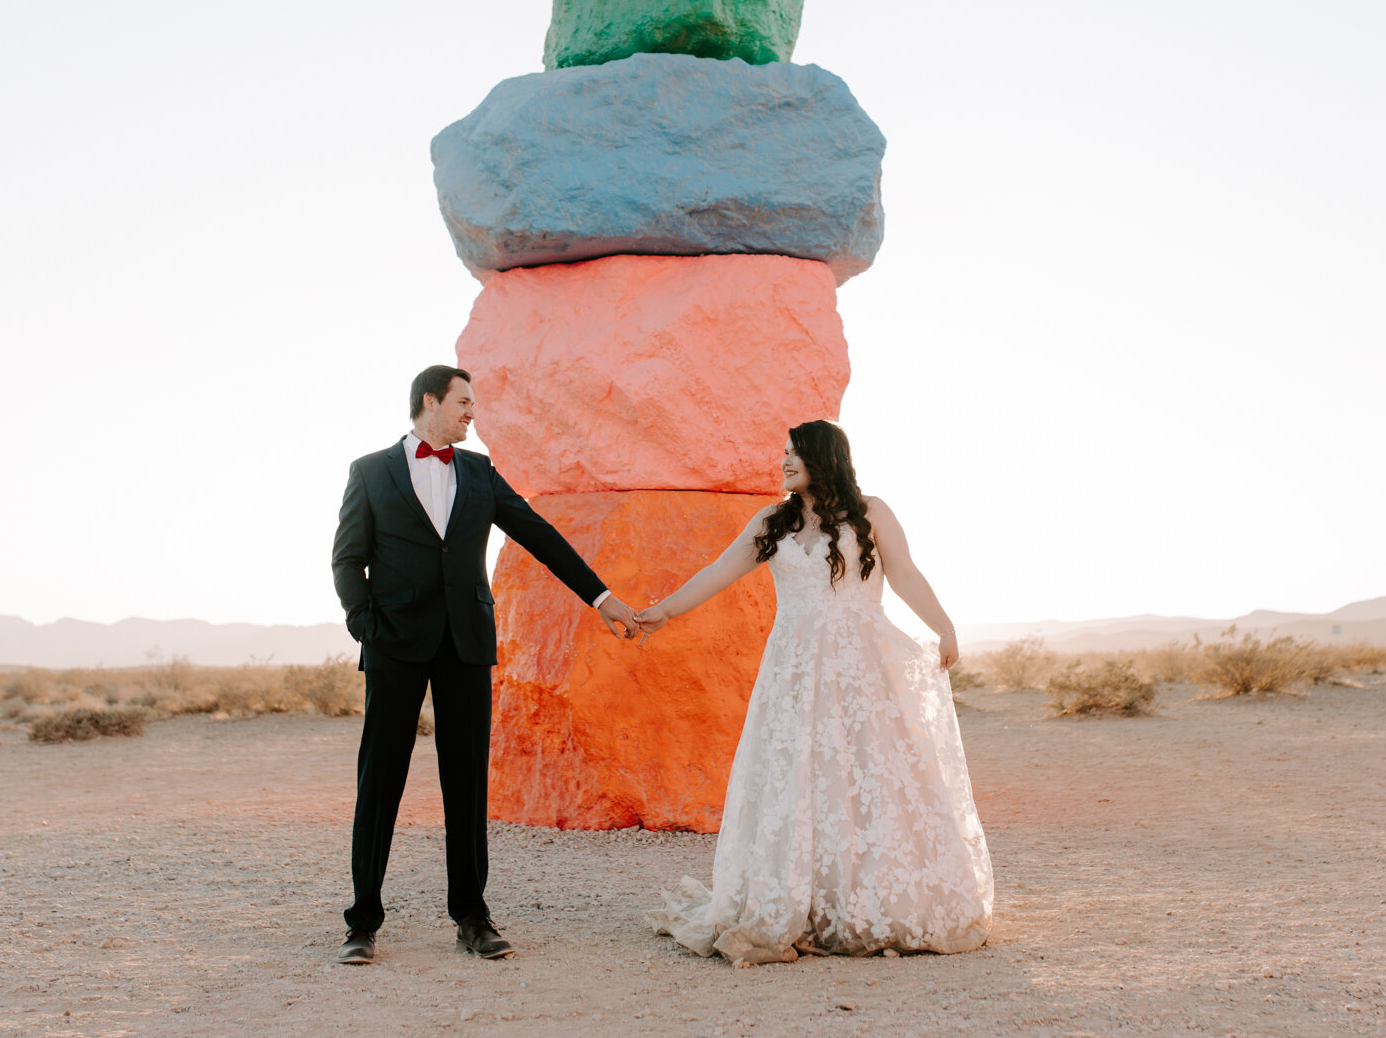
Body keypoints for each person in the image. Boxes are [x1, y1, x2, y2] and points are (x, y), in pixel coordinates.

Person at [636, 419, 995, 964]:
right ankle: (800, 894)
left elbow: (904, 573)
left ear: (823, 456)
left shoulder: (872, 512)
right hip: (795, 669)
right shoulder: (773, 521)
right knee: (800, 774)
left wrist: (943, 626)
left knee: (868, 773)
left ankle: (873, 898)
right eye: (782, 453)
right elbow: (718, 571)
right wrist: (663, 611)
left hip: (862, 665)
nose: (783, 462)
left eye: (793, 453)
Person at [331, 364, 642, 965]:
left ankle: (472, 916)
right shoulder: (370, 472)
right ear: (430, 400)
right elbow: (347, 559)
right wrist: (367, 626)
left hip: (466, 643)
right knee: (380, 780)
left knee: (467, 783)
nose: (473, 413)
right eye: (464, 402)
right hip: (394, 644)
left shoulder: (477, 471)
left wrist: (603, 599)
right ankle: (362, 920)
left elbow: (537, 534)